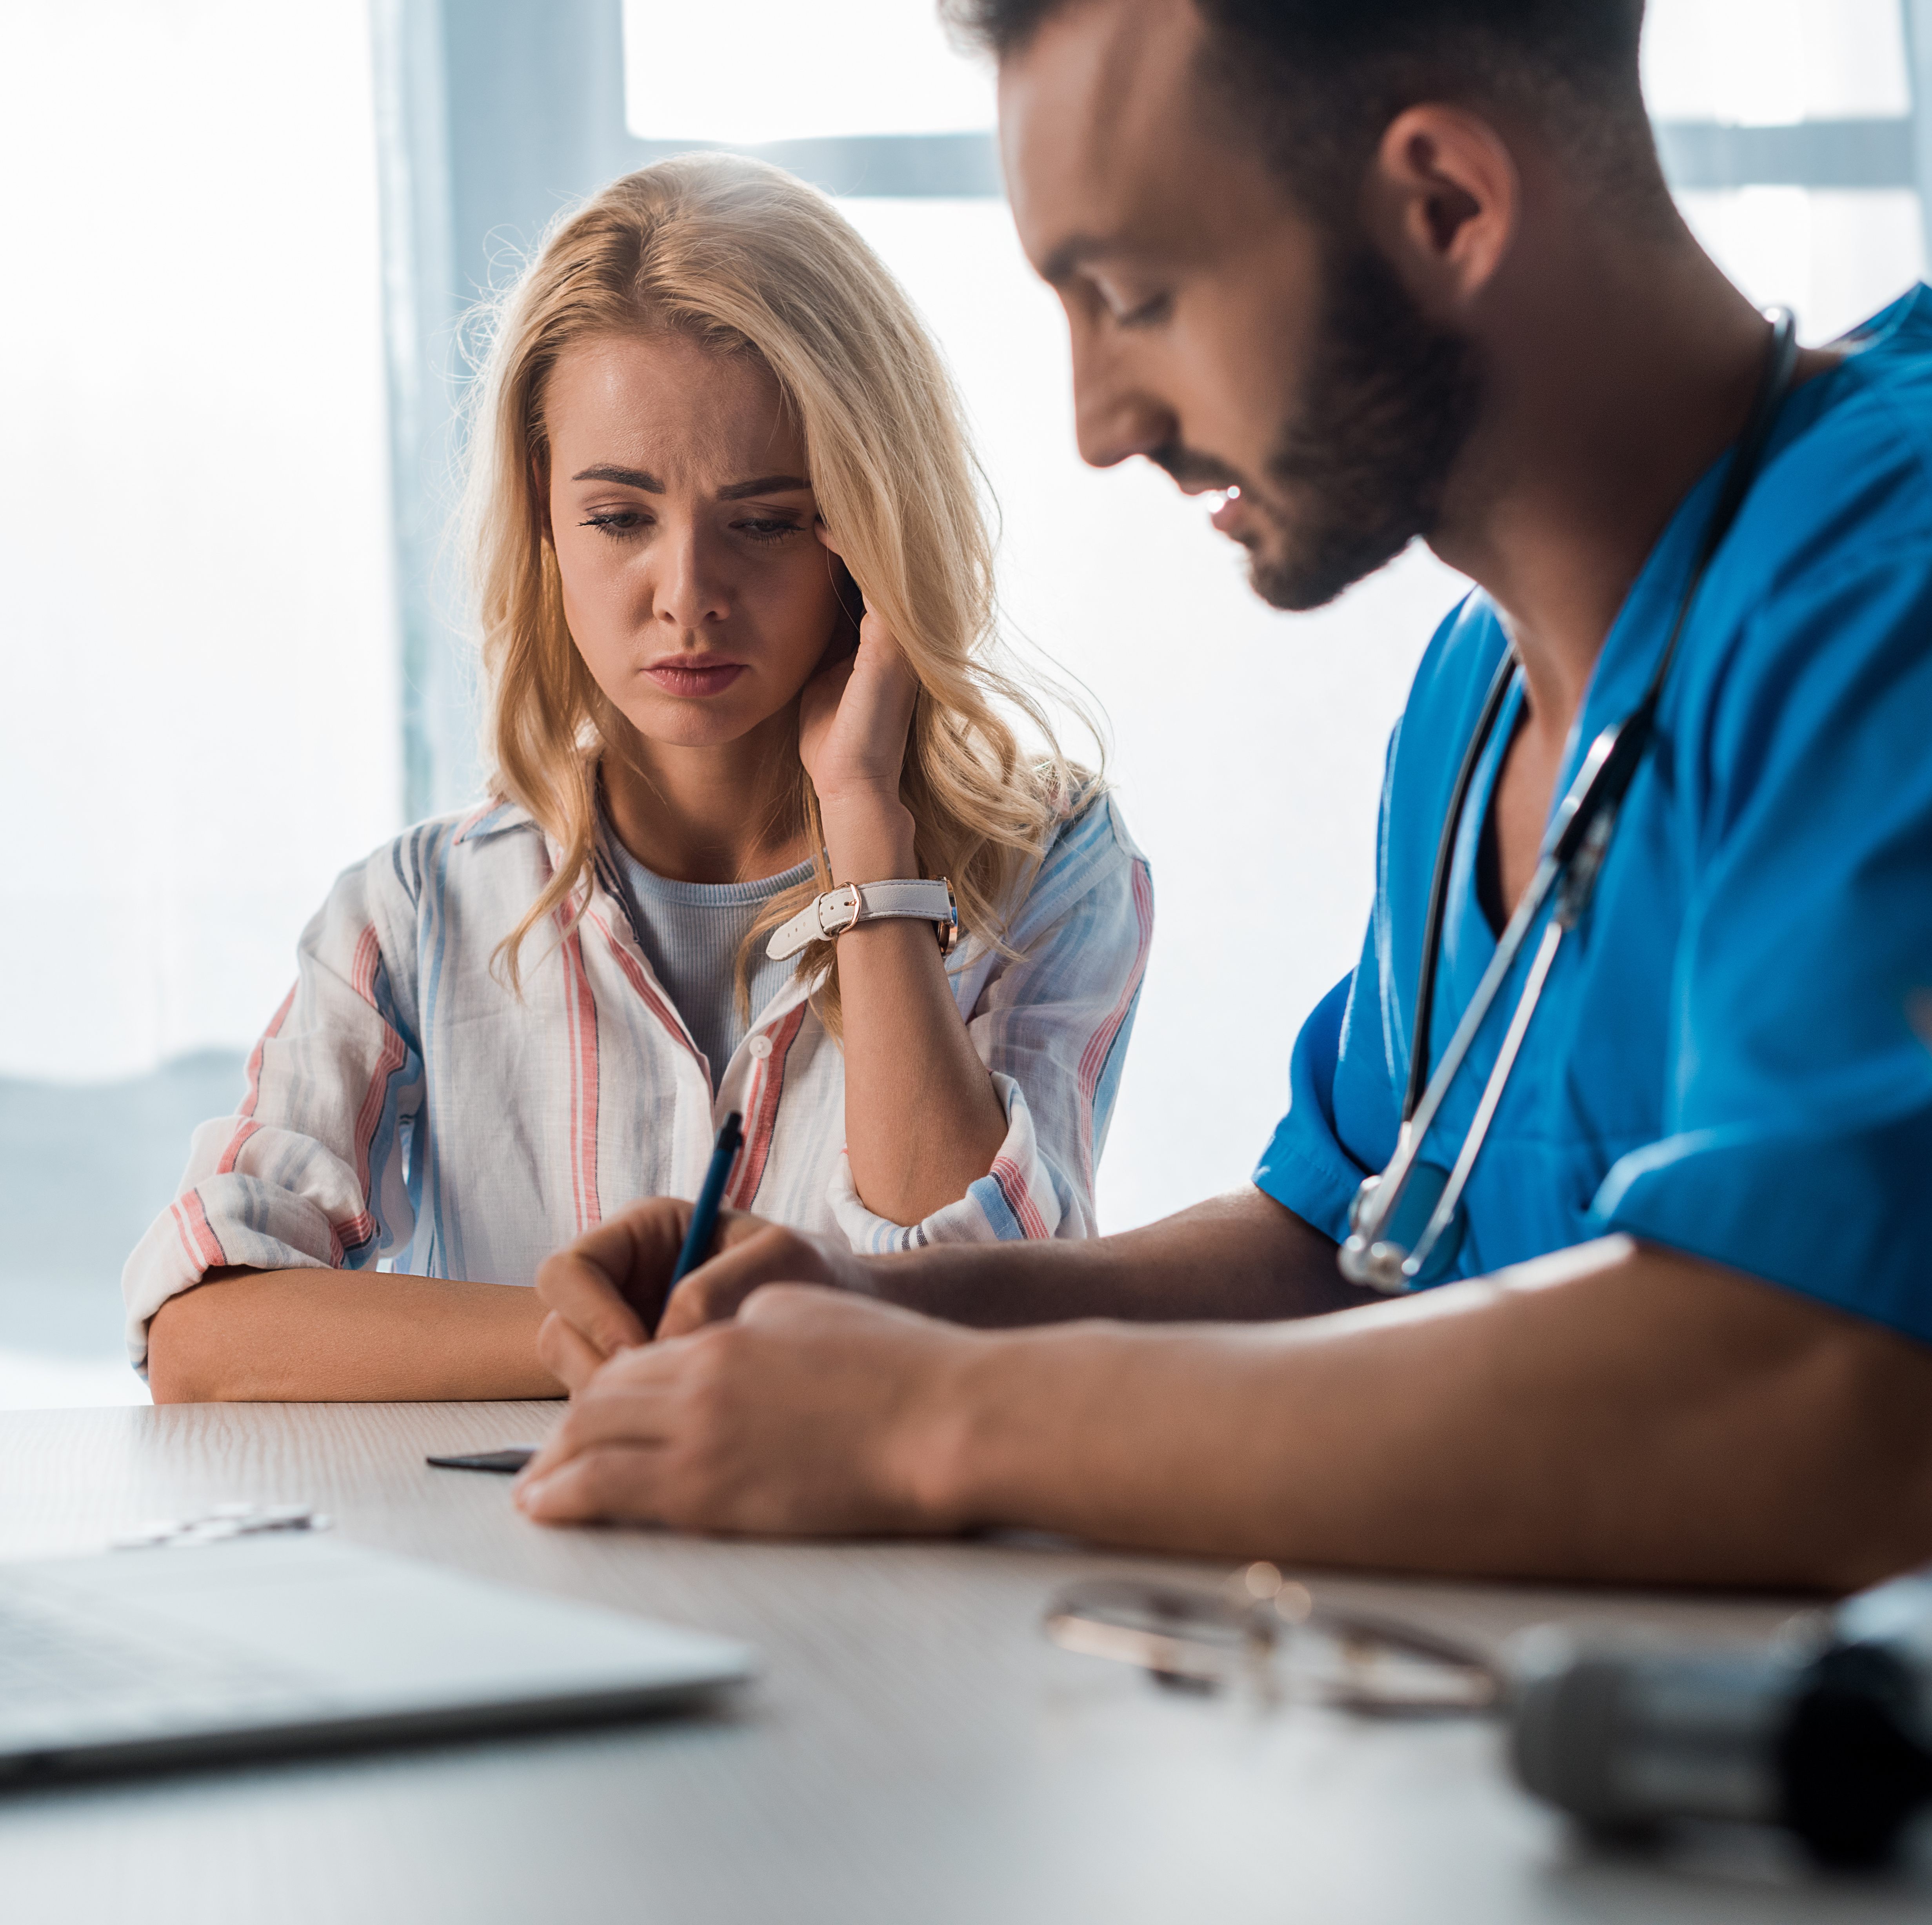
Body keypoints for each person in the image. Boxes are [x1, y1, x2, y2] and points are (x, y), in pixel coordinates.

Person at [512, 0, 1932, 1593]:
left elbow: (1833, 1387)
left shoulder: (1889, 593)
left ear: (1443, 208)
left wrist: (939, 1414)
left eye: (1133, 297)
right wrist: (855, 1314)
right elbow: (1344, 1255)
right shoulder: (1473, 700)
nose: (1099, 425)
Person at [127, 155, 1152, 1403]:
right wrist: (591, 1338)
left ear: (868, 532)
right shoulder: (409, 914)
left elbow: (997, 1313)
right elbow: (202, 1328)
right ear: (546, 528)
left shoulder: (1049, 863)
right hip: (535, 1580)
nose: (688, 598)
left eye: (768, 521)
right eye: (620, 517)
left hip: (879, 1593)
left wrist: (868, 834)